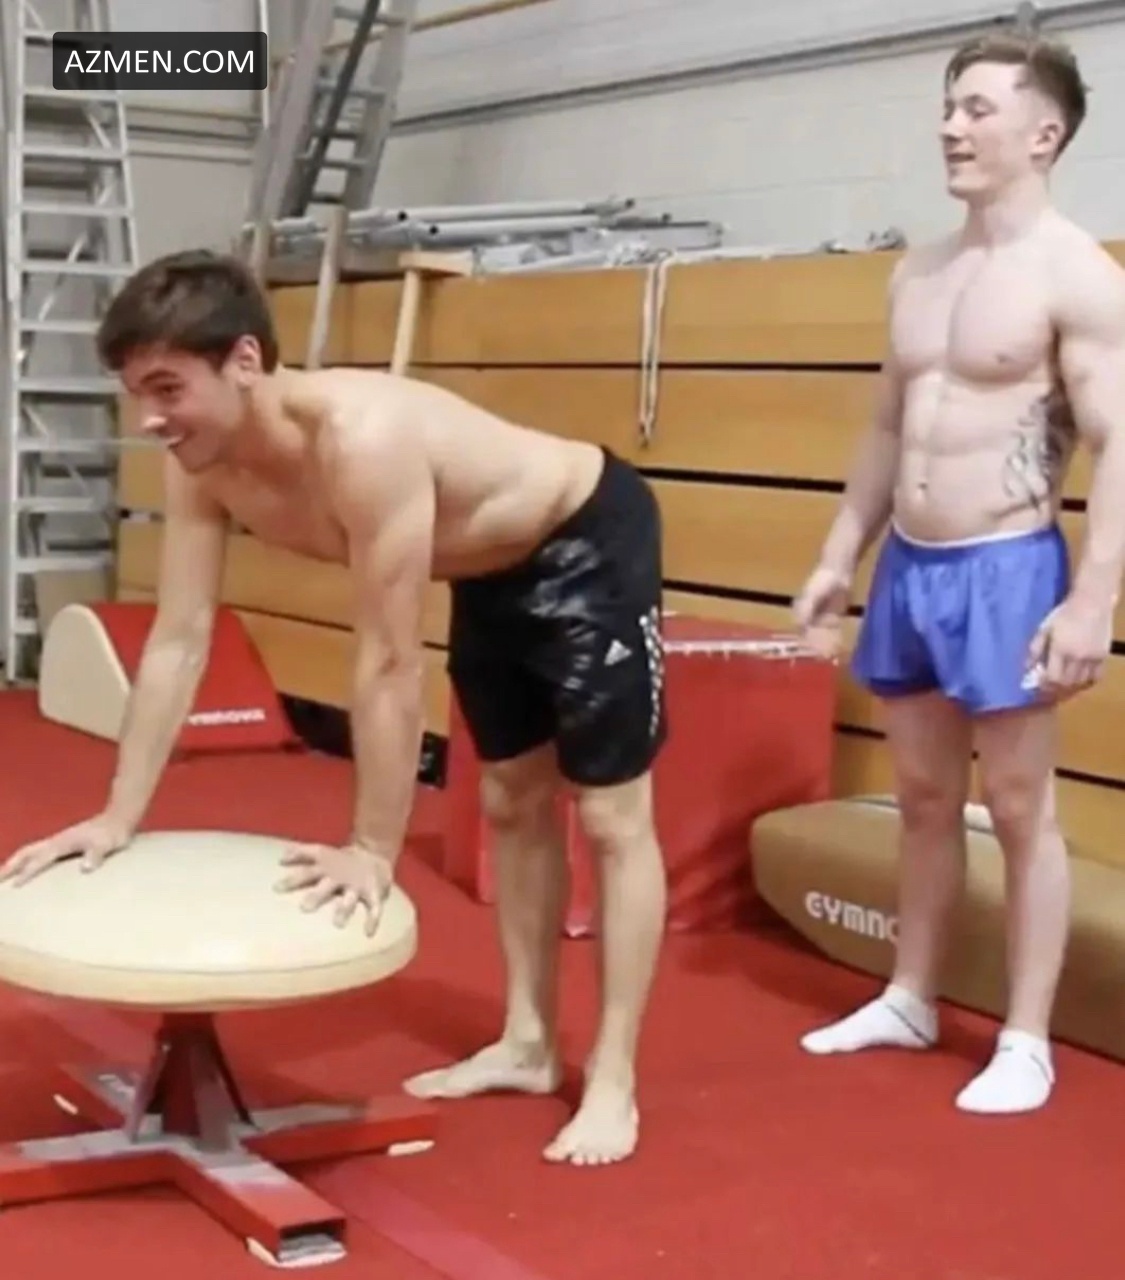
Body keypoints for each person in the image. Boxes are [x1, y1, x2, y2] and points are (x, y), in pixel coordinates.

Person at [0, 249, 670, 1165]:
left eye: (167, 388)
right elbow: (179, 639)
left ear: (244, 360)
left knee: (610, 815)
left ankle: (615, 1076)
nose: (150, 418)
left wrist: (371, 847)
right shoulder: (200, 460)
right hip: (487, 573)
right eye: (136, 394)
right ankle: (527, 1042)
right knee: (511, 800)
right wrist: (118, 815)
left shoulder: (363, 440)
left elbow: (390, 662)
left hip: (584, 536)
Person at [793, 31, 1125, 1115]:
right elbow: (890, 424)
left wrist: (1093, 599)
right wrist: (840, 551)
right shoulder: (919, 270)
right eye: (948, 106)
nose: (950, 126)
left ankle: (1025, 1038)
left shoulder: (1078, 275)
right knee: (924, 796)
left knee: (1020, 808)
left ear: (1044, 134)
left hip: (1008, 567)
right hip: (913, 563)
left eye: (977, 109)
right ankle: (911, 995)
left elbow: (1119, 443)